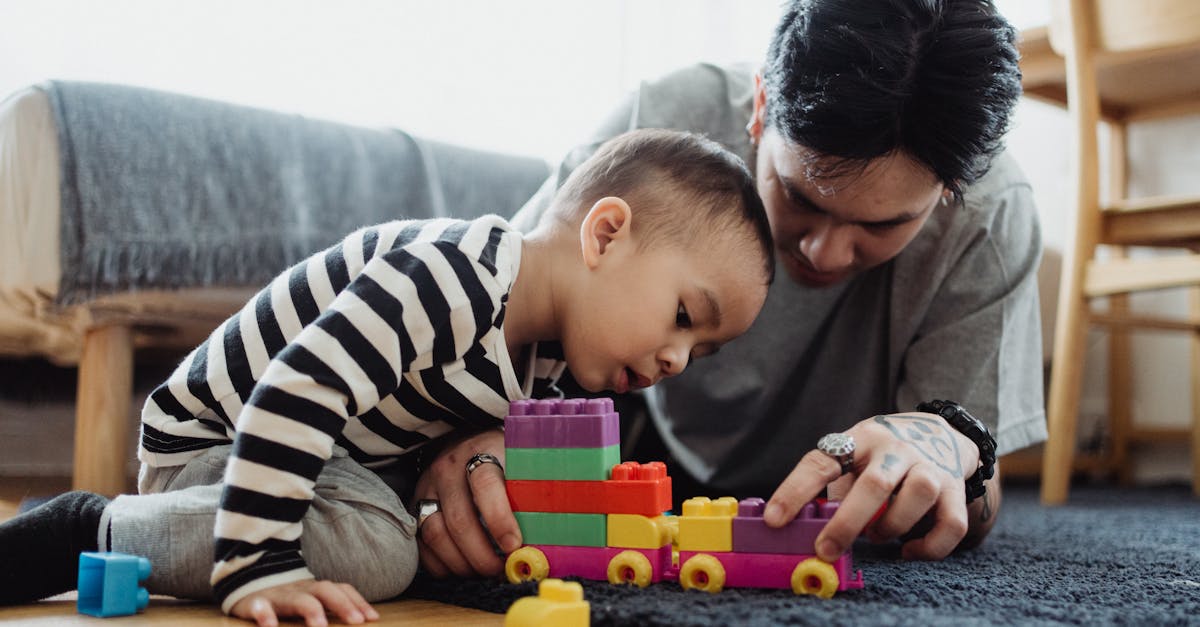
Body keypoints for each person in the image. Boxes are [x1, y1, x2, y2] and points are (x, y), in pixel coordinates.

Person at [0, 128, 775, 626]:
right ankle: (87, 528)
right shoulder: (454, 277)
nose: (677, 361)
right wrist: (261, 566)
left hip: (328, 462)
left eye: (701, 352)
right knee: (381, 554)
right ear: (606, 234)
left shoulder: (545, 364)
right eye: (683, 315)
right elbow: (299, 388)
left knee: (399, 535)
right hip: (220, 442)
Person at [415, 0, 1045, 580]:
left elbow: (977, 502)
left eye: (881, 226)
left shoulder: (991, 218)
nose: (823, 251)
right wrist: (468, 438)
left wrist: (946, 452)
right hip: (632, 448)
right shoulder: (656, 130)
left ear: (951, 190)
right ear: (761, 106)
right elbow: (493, 313)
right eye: (798, 197)